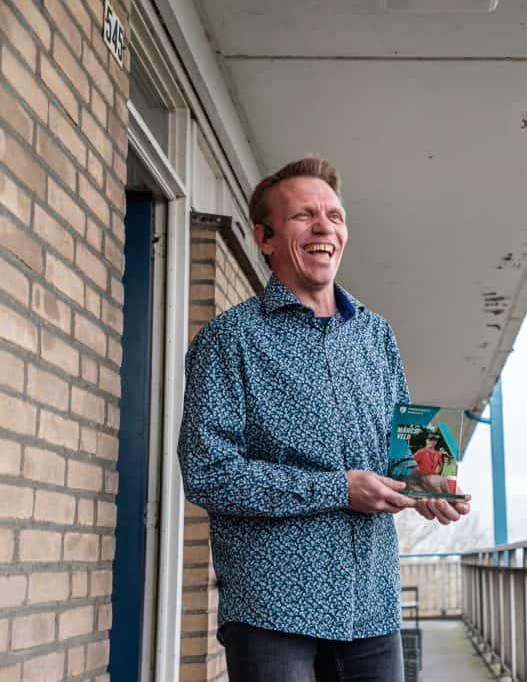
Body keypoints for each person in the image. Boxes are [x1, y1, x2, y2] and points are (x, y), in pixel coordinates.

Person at [177, 157, 470, 682]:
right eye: (304, 216)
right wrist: (337, 489)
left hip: (372, 605)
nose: (324, 227)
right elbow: (208, 473)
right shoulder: (227, 340)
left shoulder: (378, 335)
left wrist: (432, 485)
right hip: (273, 610)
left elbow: (405, 451)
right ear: (264, 238)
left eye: (334, 216)